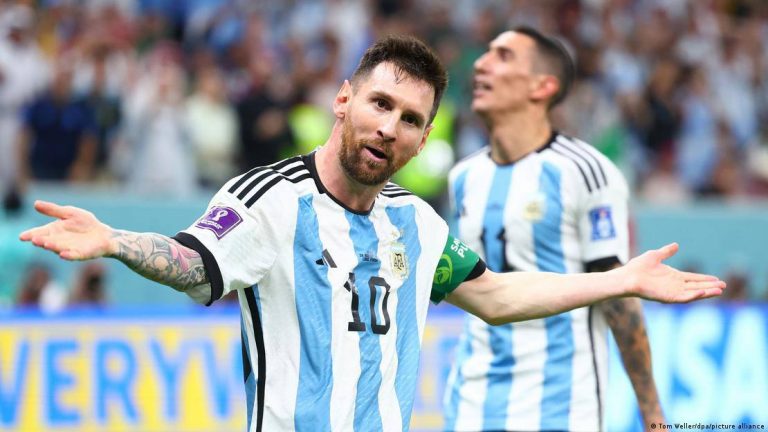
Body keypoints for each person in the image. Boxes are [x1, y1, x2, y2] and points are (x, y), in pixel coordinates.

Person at [20, 35, 724, 432]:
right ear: (343, 99)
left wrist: (621, 279)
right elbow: (194, 263)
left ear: (424, 138)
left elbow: (498, 295)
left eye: (411, 119)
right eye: (380, 104)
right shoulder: (268, 198)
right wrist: (115, 241)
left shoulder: (416, 222)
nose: (390, 127)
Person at [443, 27, 664, 431]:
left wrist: (652, 414)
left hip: (562, 406)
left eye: (503, 56)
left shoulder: (586, 171)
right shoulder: (463, 177)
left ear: (543, 86)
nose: (481, 64)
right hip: (472, 405)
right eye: (486, 53)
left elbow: (619, 297)